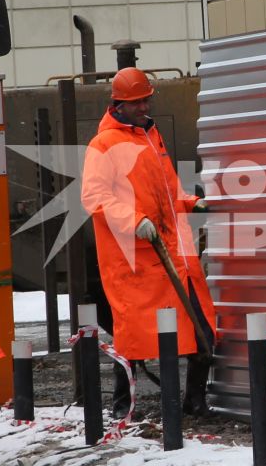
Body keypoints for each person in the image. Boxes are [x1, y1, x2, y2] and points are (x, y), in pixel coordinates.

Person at [80, 66, 219, 418]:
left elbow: (169, 194)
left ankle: (194, 401)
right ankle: (121, 406)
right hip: (137, 262)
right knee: (133, 340)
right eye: (135, 102)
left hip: (174, 255)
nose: (143, 107)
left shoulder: (151, 137)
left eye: (145, 100)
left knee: (202, 331)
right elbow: (94, 197)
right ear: (118, 104)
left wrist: (191, 203)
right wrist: (134, 221)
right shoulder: (104, 144)